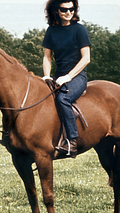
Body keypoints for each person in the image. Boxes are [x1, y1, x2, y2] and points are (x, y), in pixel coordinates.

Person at [41, 0, 91, 158]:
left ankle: (72, 142)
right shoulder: (51, 31)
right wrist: (47, 75)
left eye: (72, 9)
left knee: (63, 98)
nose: (69, 12)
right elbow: (47, 57)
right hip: (58, 76)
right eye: (64, 9)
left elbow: (86, 59)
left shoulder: (79, 30)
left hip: (77, 76)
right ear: (57, 10)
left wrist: (68, 76)